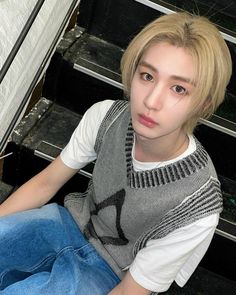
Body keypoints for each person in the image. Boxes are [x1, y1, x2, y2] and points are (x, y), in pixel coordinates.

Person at [0, 11, 232, 295]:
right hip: (67, 224)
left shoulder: (197, 206)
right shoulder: (106, 117)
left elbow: (129, 291)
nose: (151, 101)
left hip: (112, 275)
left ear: (203, 103)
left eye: (178, 89)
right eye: (147, 76)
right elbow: (46, 183)